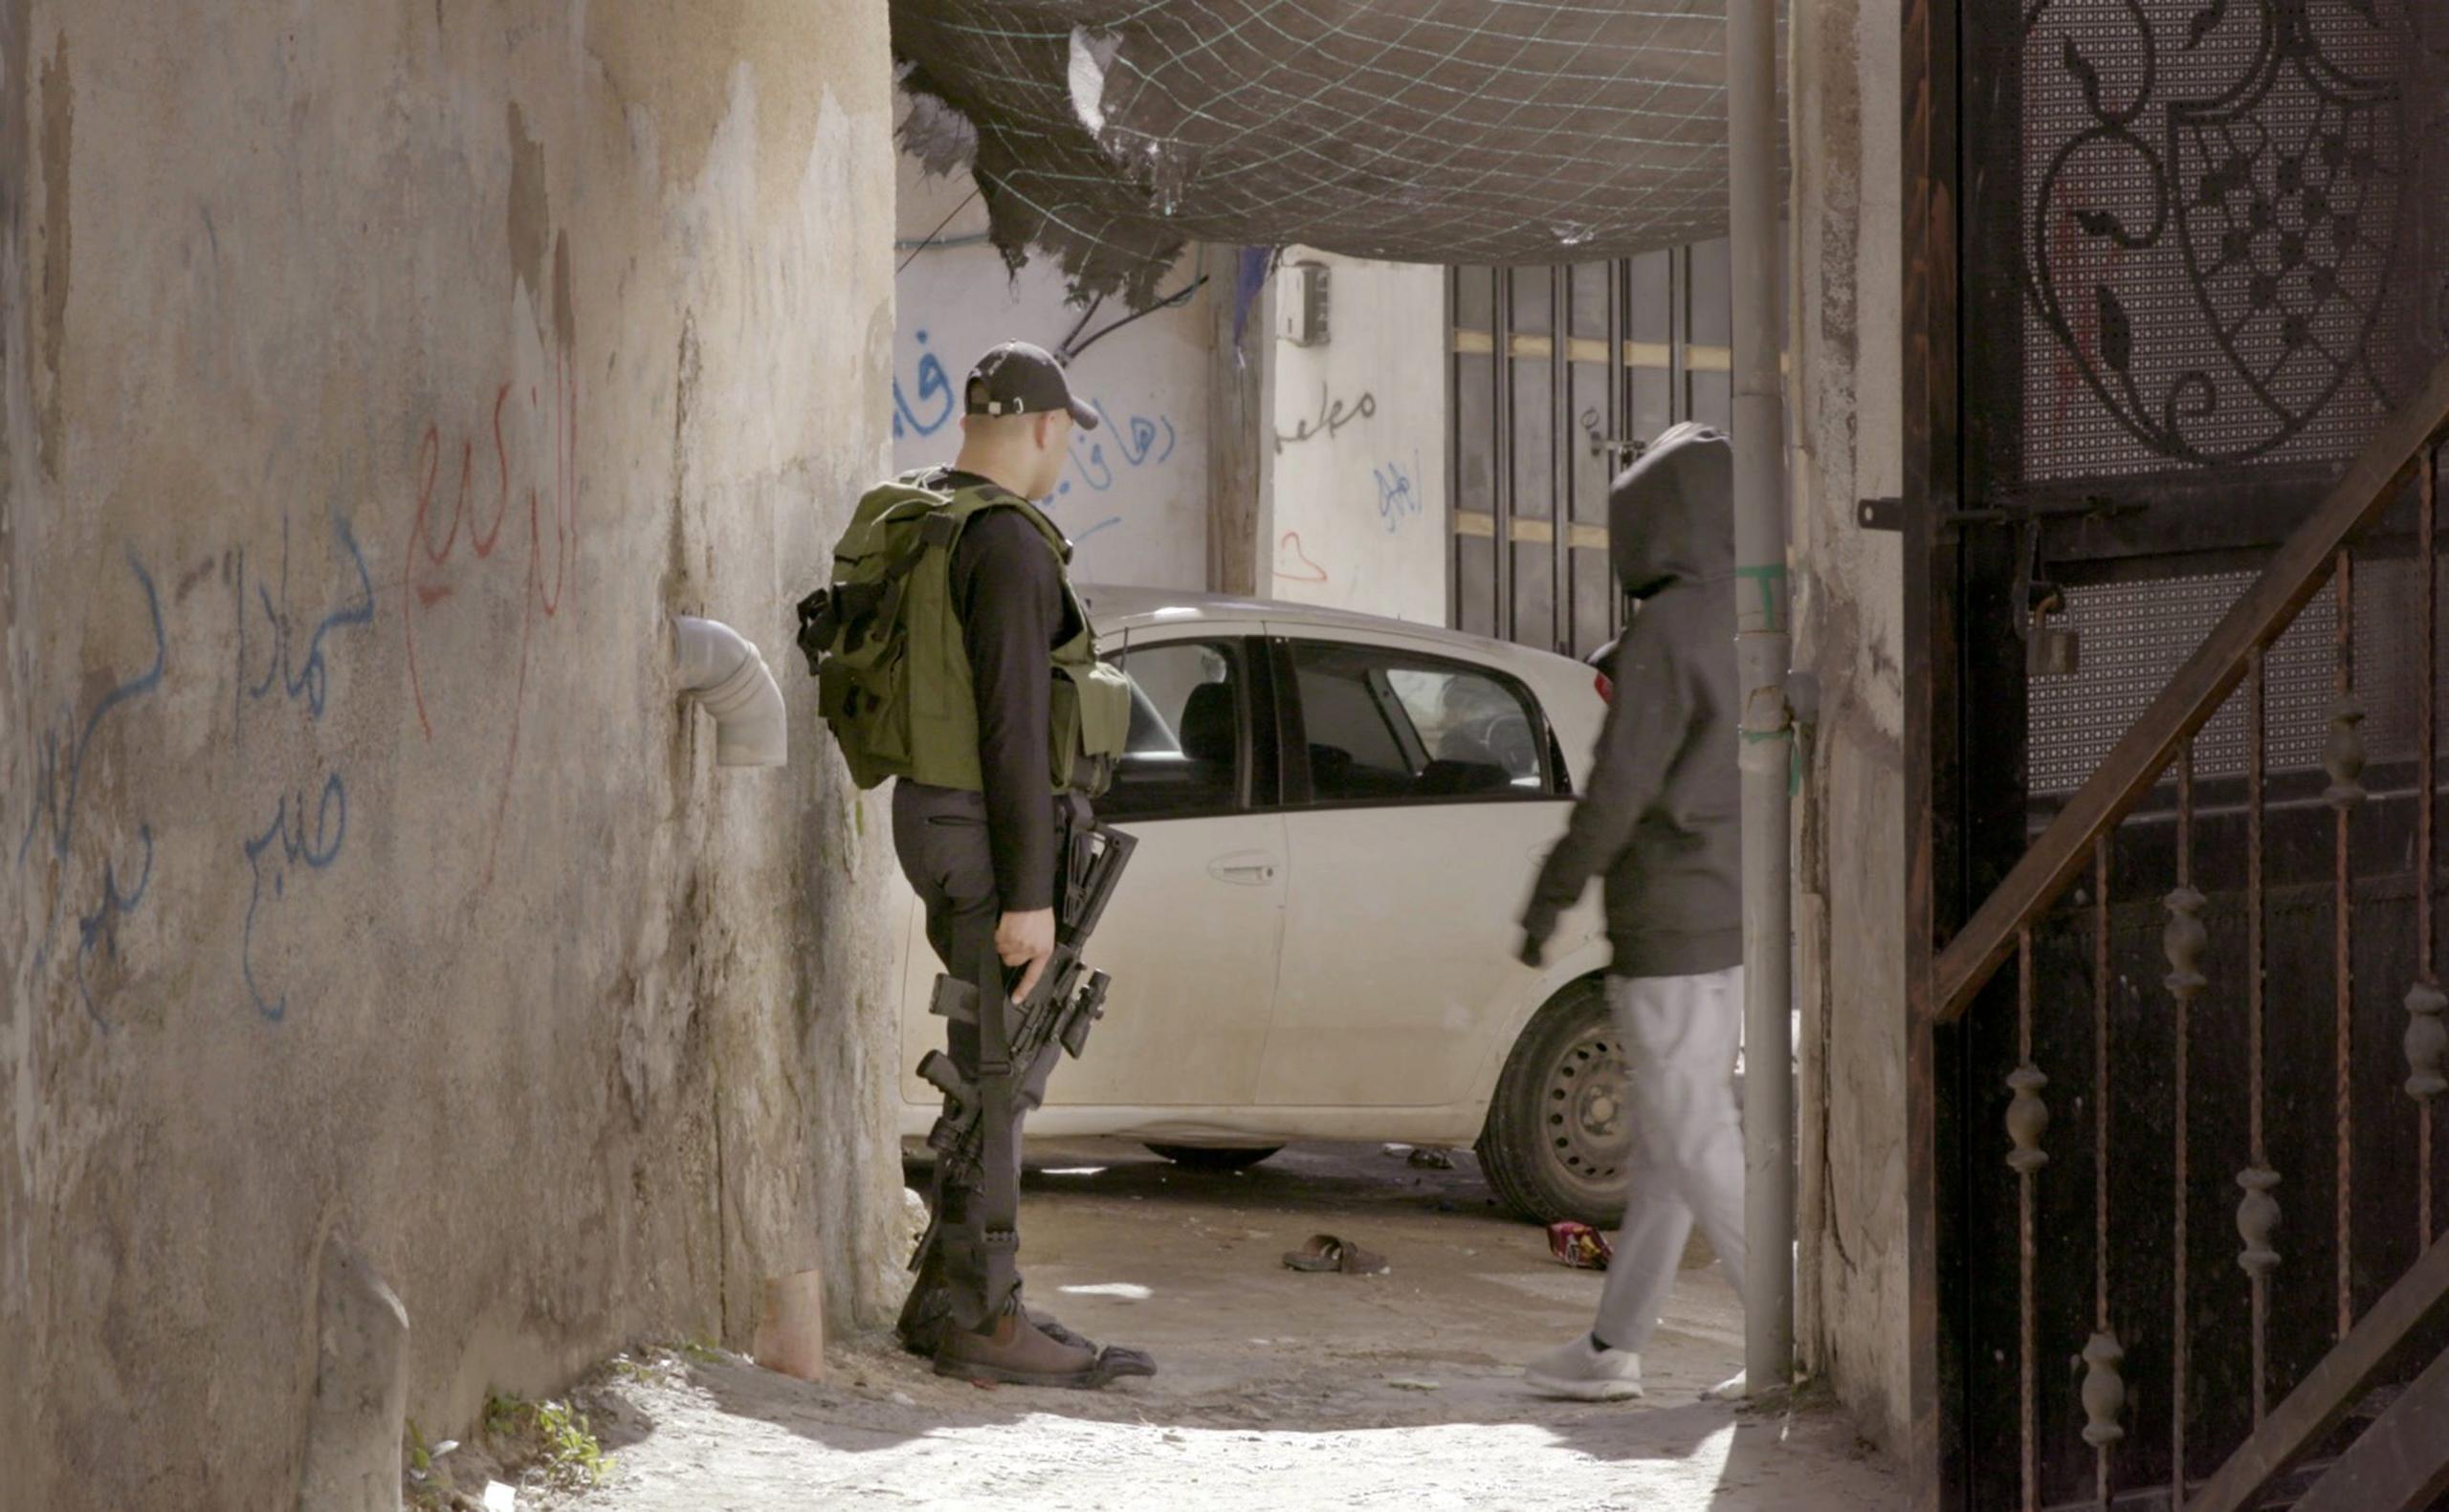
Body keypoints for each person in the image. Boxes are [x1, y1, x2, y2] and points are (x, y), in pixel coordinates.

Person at [857, 340, 1153, 1389]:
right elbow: (1016, 732)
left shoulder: (936, 520)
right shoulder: (1011, 546)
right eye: (1066, 431)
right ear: (1043, 426)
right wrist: (1031, 897)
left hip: (935, 816)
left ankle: (951, 1300)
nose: (1064, 447)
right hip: (984, 831)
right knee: (997, 1074)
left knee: (991, 1070)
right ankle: (985, 1319)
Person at [1515, 422, 1747, 1403]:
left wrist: (1550, 896)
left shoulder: (1665, 632)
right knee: (1666, 1151)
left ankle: (1786, 1340)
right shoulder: (1744, 617)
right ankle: (1613, 1348)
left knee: (1692, 1142)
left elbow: (1615, 789)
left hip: (1667, 924)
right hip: (1726, 920)